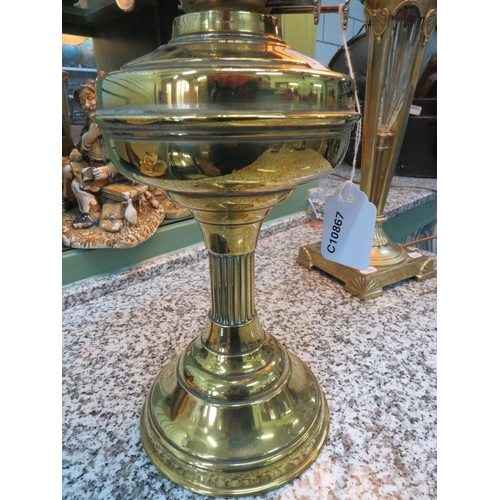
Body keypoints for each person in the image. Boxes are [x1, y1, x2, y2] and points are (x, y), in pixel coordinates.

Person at [64, 77, 123, 229]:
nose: (86, 105)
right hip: (93, 165)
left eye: (90, 99)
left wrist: (108, 170)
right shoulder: (88, 125)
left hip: (113, 171)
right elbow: (82, 150)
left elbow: (125, 156)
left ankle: (92, 213)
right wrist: (89, 137)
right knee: (66, 170)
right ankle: (68, 200)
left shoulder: (114, 126)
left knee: (79, 185)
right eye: (82, 102)